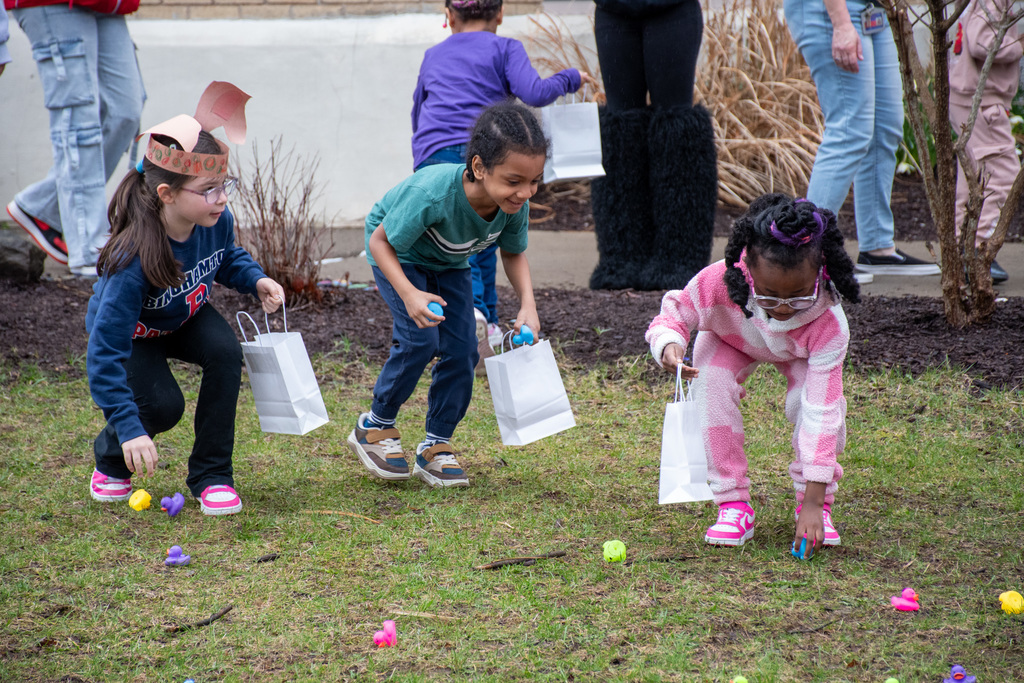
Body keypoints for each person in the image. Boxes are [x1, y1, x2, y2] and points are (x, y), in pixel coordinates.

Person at [85, 82, 286, 516]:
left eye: (225, 183)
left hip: (182, 315)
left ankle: (212, 475)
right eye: (210, 188)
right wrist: (130, 427)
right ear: (167, 194)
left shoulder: (216, 220)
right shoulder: (131, 260)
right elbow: (104, 355)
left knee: (225, 352)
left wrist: (256, 280)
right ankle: (110, 459)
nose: (223, 197)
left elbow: (226, 255)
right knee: (161, 406)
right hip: (135, 333)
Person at [646, 194, 860, 551]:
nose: (782, 309)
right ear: (746, 268)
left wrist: (813, 501)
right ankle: (732, 503)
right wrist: (669, 344)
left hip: (800, 351)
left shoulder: (828, 322)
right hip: (733, 338)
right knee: (709, 384)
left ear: (822, 272)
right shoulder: (719, 281)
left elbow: (822, 415)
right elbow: (675, 312)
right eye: (768, 296)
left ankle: (817, 507)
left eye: (798, 296)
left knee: (819, 406)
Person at [349, 101, 544, 488]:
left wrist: (528, 305)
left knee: (463, 349)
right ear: (478, 167)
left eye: (534, 181)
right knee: (420, 339)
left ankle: (436, 445)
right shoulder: (434, 192)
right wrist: (409, 294)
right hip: (399, 254)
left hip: (449, 262)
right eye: (514, 181)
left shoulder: (512, 203)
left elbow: (513, 251)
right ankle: (374, 427)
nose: (525, 192)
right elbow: (381, 241)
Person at [412, 0, 590, 348]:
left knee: (454, 242)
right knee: (483, 237)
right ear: (500, 15)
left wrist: (423, 160)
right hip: (486, 155)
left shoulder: (433, 54)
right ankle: (476, 315)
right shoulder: (506, 48)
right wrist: (570, 79)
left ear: (448, 17)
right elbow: (533, 93)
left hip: (433, 155)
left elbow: (419, 109)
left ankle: (484, 322)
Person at [784, 0, 940, 282]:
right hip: (832, 11)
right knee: (849, 130)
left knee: (885, 127)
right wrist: (841, 23)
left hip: (873, 11)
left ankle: (877, 248)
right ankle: (807, 253)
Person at [4, 0, 145, 277]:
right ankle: (89, 249)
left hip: (108, 5)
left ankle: (42, 206)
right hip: (53, 4)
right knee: (79, 121)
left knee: (125, 111)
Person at [588, 0, 718, 292]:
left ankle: (680, 257)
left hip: (672, 10)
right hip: (613, 10)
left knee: (677, 126)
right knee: (620, 127)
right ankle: (621, 256)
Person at [950, 0, 1022, 284]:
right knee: (1002, 173)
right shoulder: (993, 2)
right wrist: (1019, 42)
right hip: (981, 102)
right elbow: (983, 43)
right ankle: (979, 250)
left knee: (974, 179)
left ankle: (962, 249)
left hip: (971, 100)